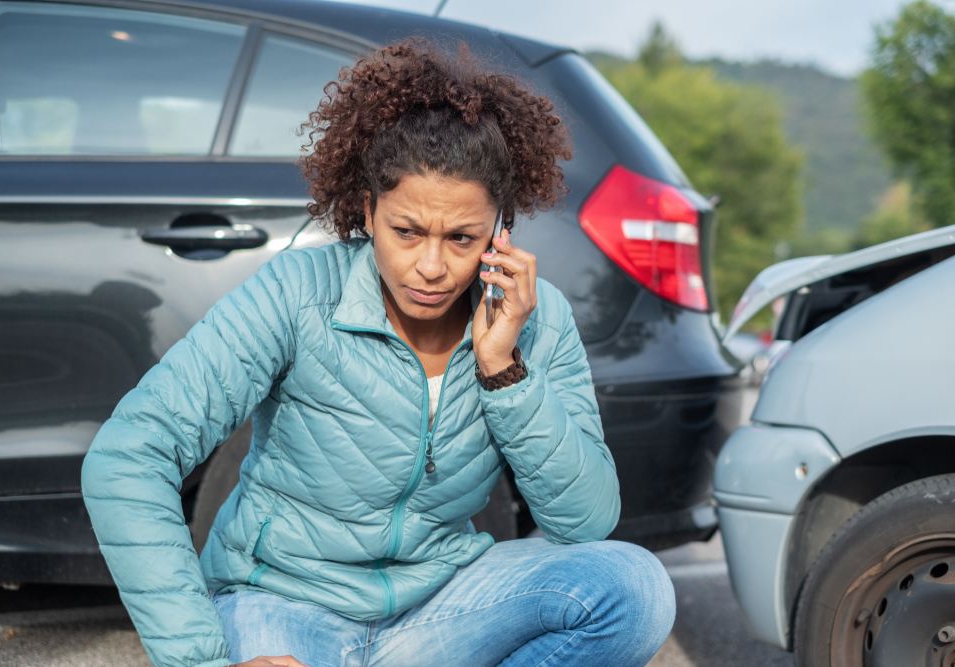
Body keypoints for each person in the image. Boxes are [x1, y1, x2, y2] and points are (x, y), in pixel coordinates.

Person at [82, 39, 675, 667]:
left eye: (462, 238)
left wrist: (505, 370)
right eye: (407, 231)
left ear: (500, 231)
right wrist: (203, 663)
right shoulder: (297, 294)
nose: (431, 267)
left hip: (438, 613)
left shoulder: (537, 318)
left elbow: (585, 523)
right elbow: (128, 456)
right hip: (281, 606)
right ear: (367, 209)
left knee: (632, 589)